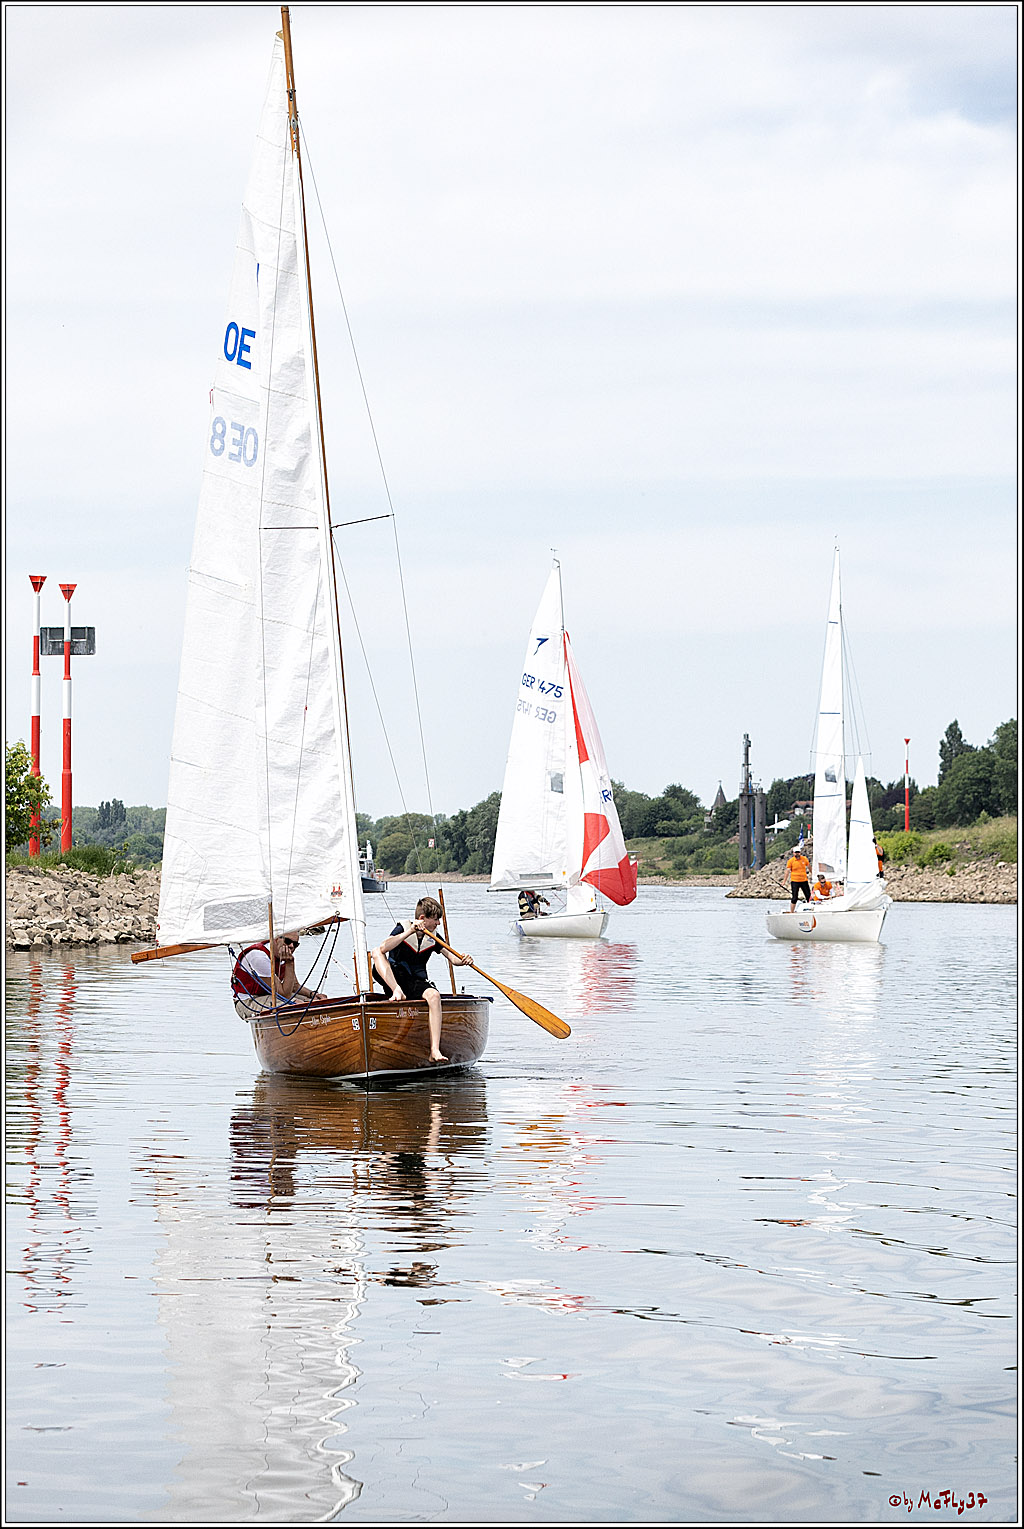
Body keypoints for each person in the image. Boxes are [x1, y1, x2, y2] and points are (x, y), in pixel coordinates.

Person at [371, 896, 473, 1064]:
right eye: (435, 919)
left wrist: (464, 959)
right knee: (376, 952)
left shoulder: (434, 937)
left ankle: (434, 1050)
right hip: (393, 978)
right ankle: (397, 991)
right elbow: (383, 948)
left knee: (434, 996)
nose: (438, 923)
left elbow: (453, 959)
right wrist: (410, 931)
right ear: (422, 919)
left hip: (414, 982)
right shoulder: (402, 928)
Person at [231, 931, 329, 1018]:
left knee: (316, 1003)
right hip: (248, 1001)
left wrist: (313, 994)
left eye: (295, 944)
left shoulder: (282, 954)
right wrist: (289, 964)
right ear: (276, 939)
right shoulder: (258, 957)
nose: (291, 946)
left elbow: (294, 986)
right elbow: (284, 995)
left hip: (271, 995)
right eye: (288, 941)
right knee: (294, 1006)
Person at [786, 846, 812, 911]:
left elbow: (809, 867)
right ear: (793, 853)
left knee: (808, 896)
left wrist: (813, 875)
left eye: (798, 852)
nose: (797, 854)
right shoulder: (791, 861)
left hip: (804, 880)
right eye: (796, 852)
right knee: (794, 897)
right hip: (795, 881)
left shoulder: (804, 859)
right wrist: (784, 881)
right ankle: (791, 911)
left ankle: (810, 909)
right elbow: (787, 871)